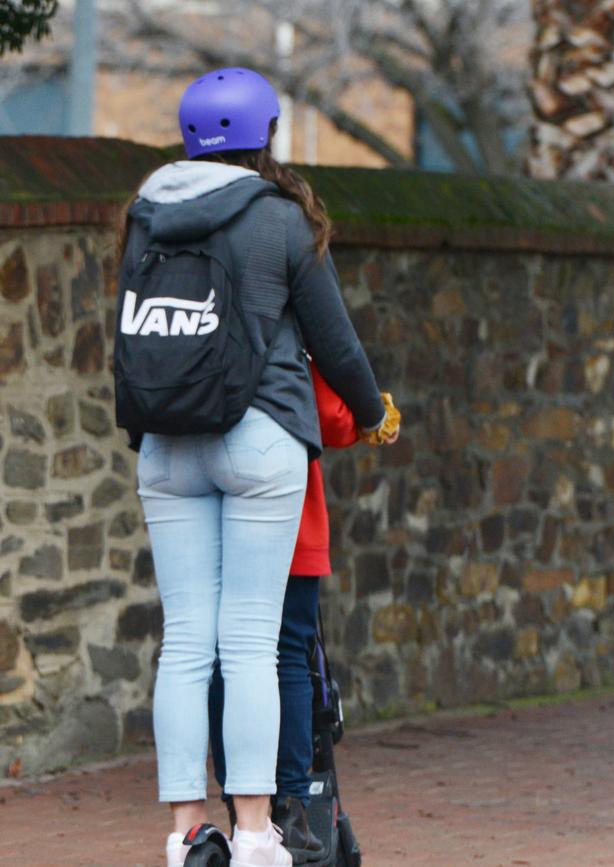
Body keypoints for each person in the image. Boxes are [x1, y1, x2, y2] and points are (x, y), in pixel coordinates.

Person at [116, 67, 399, 867]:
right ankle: (252, 830)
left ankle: (183, 833)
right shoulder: (276, 218)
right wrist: (374, 414)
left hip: (166, 442)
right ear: (264, 135)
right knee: (248, 641)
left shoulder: (146, 213)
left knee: (185, 646)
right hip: (259, 436)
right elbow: (335, 341)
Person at [209, 365, 395, 864]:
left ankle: (240, 802)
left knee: (227, 658)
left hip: (216, 514)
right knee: (288, 655)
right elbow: (335, 418)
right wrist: (375, 410)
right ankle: (292, 808)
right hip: (292, 521)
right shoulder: (284, 323)